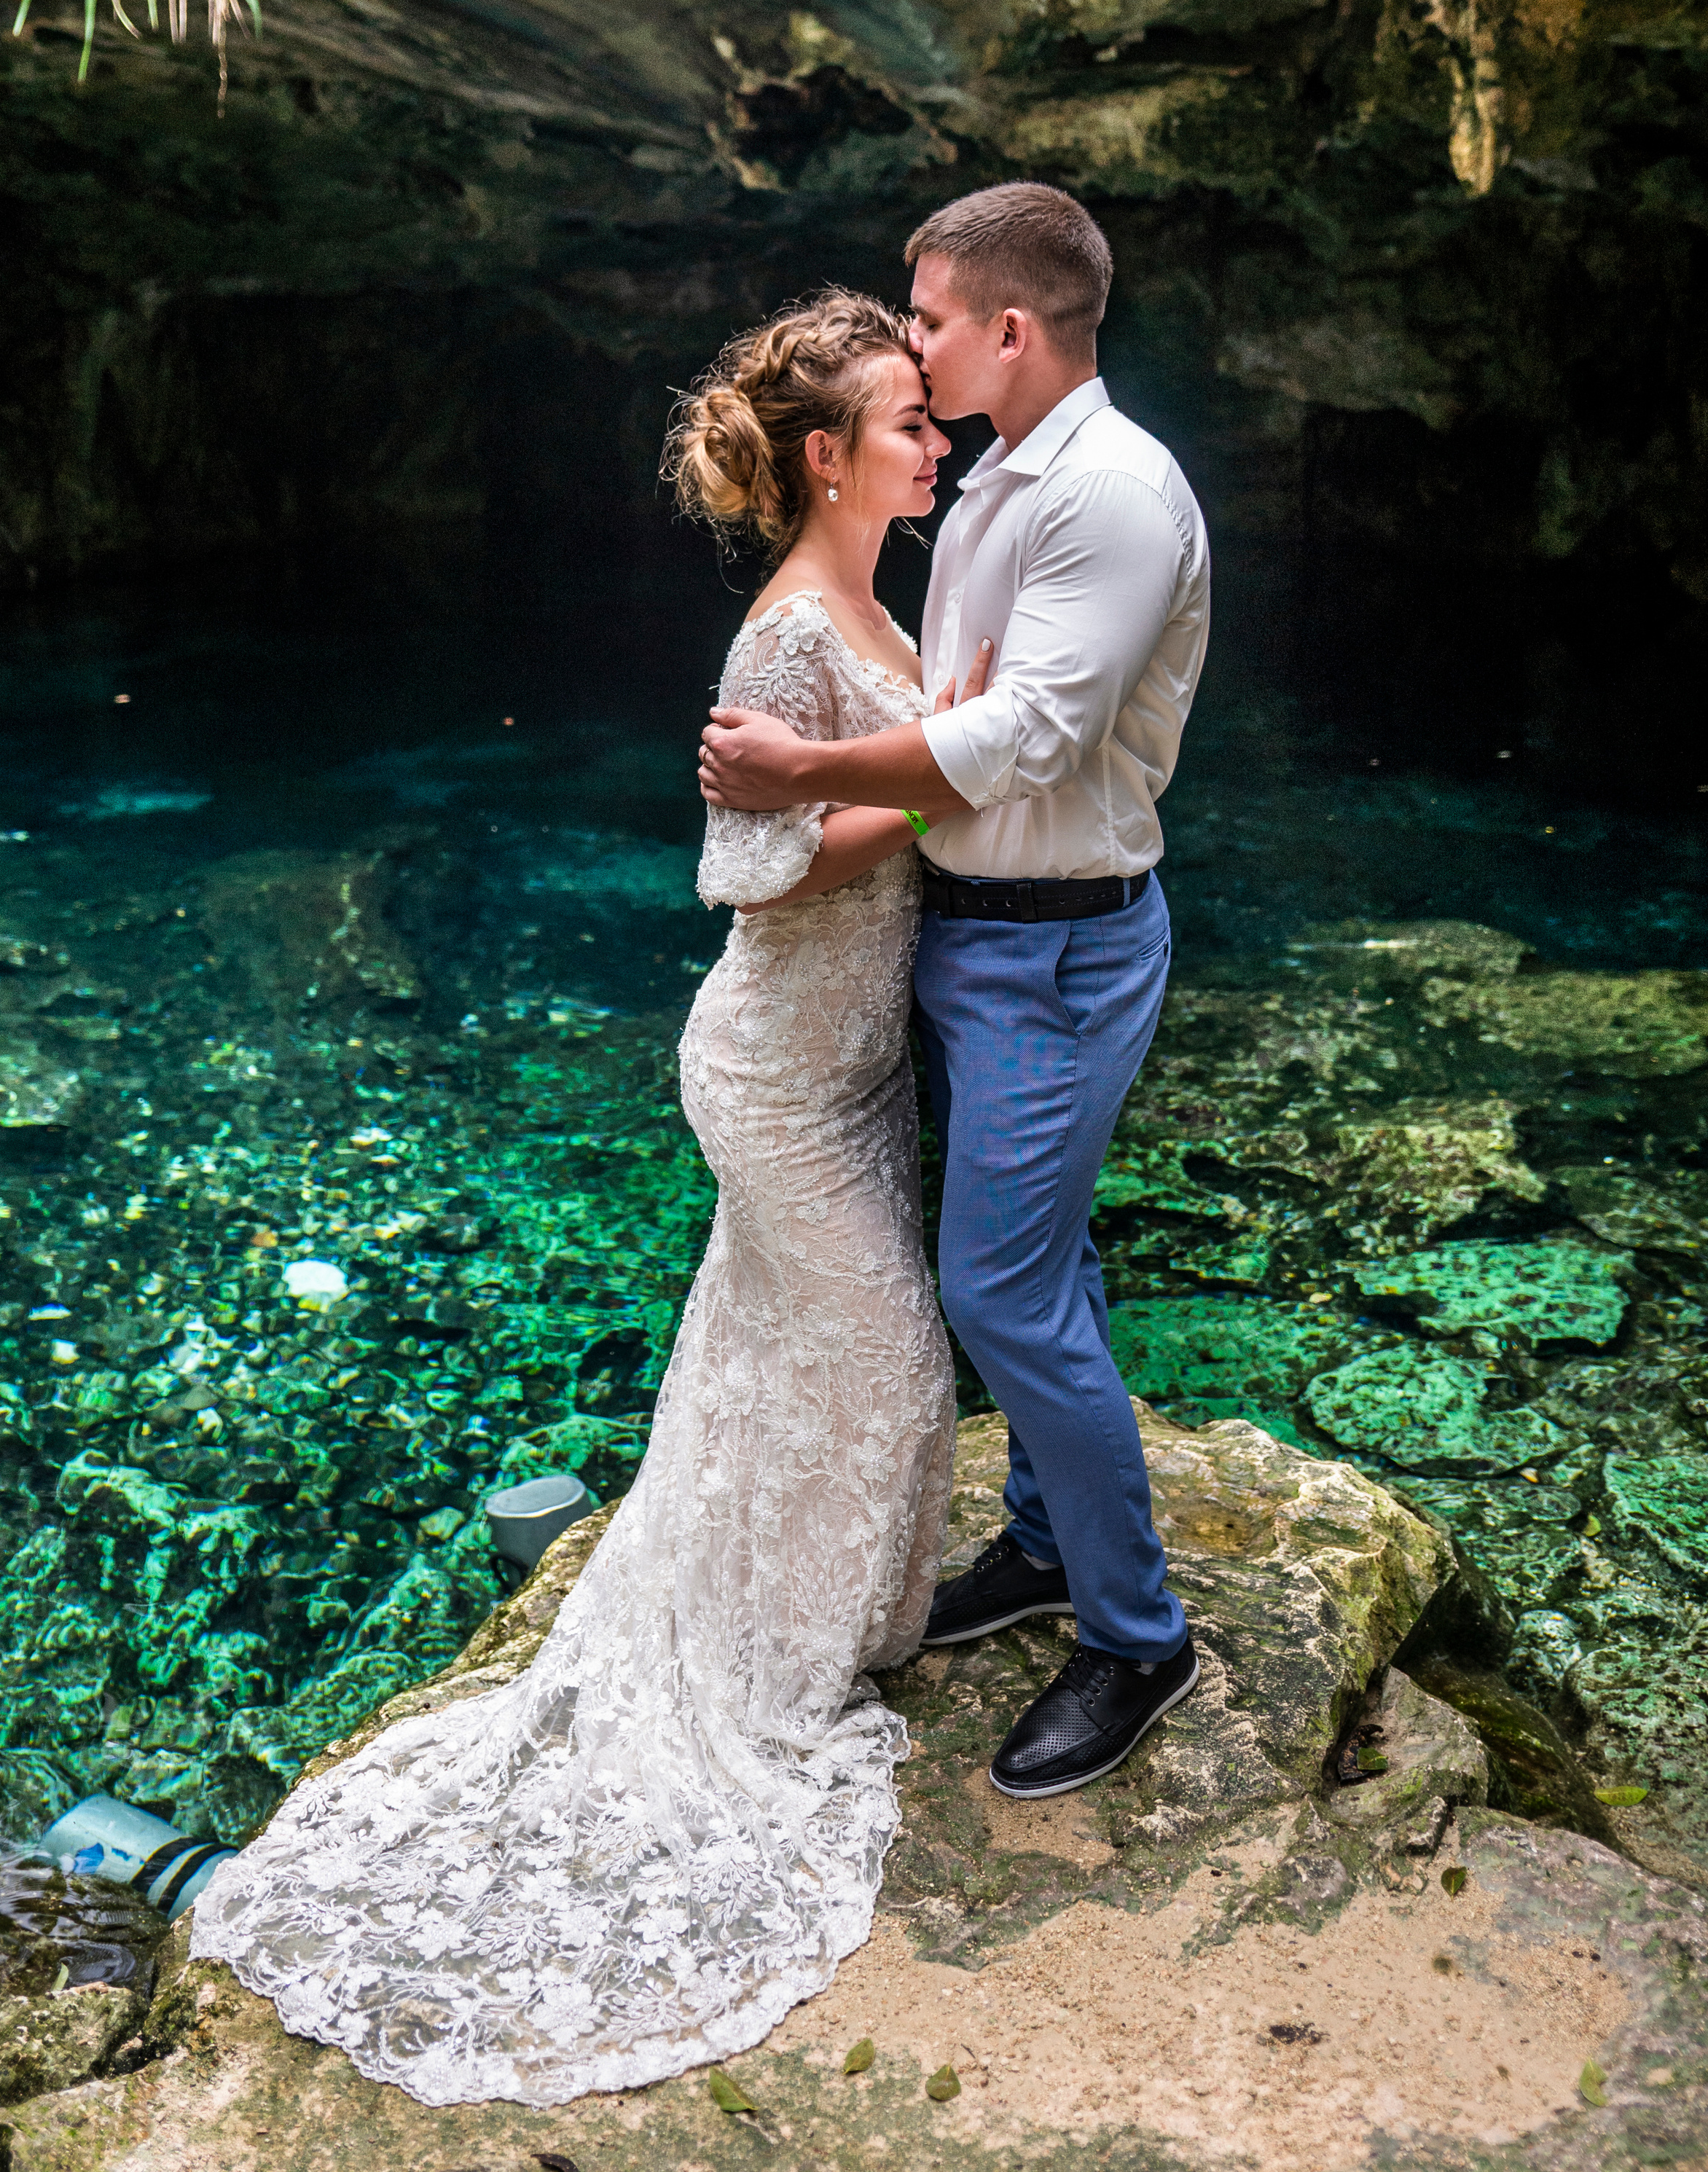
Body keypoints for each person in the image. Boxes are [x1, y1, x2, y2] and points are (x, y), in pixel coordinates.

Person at [188, 290, 989, 2106]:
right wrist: (940, 781)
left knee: (781, 1347)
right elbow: (743, 866)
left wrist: (937, 764)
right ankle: (787, 1682)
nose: (934, 444)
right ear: (825, 456)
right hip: (777, 1071)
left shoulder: (882, 595)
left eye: (930, 419)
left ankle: (802, 1622)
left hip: (857, 1069)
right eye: (905, 424)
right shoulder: (789, 634)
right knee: (876, 1349)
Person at [699, 184, 1211, 1801]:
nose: (911, 347)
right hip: (976, 941)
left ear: (1009, 327)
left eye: (926, 320)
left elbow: (1019, 743)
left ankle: (1138, 1637)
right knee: (1037, 1263)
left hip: (1054, 943)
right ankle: (1057, 1550)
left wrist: (805, 768)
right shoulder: (999, 476)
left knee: (996, 1292)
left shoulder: (1114, 494)